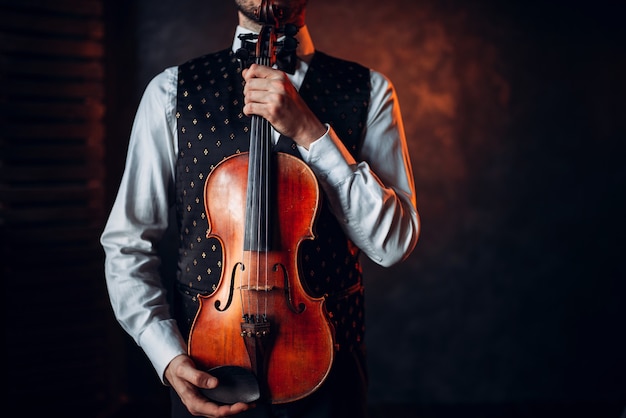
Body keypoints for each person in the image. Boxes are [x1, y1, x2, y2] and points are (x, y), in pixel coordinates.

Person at [100, 1, 420, 417]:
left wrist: (313, 134)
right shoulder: (169, 92)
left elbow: (392, 245)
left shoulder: (370, 91)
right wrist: (166, 354)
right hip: (207, 365)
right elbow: (128, 243)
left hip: (328, 369)